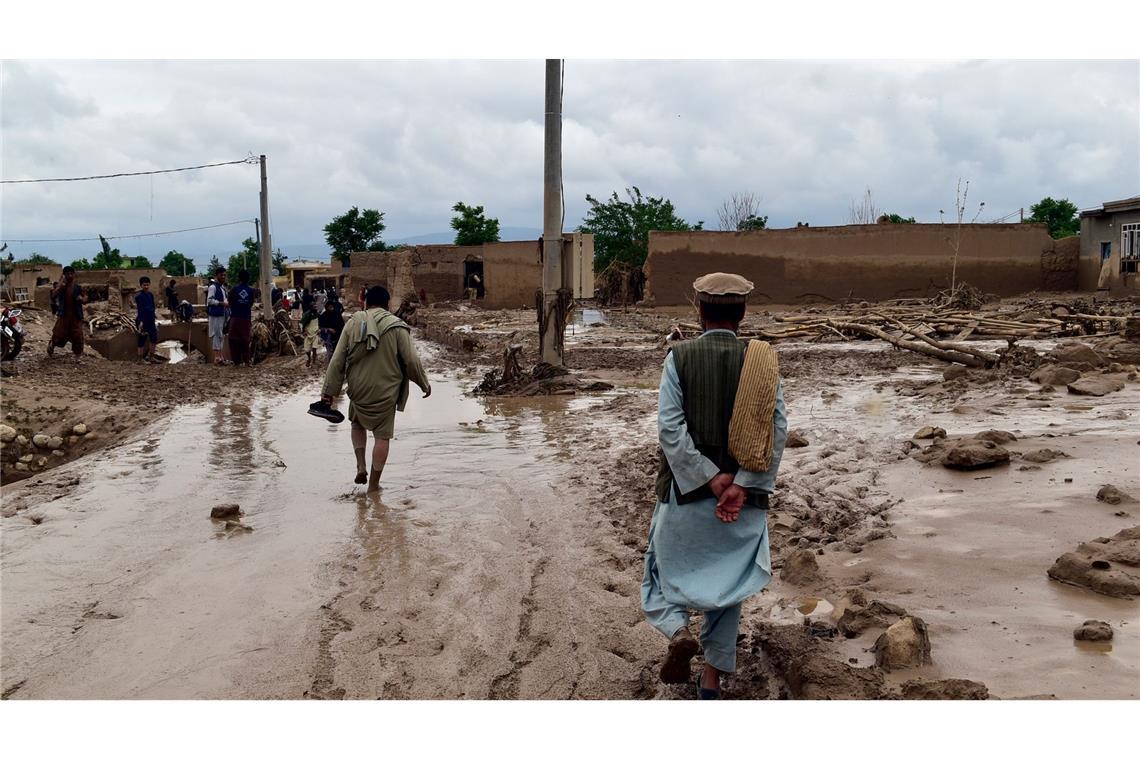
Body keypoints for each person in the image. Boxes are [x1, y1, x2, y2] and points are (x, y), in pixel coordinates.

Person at [640, 272, 788, 700]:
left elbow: (670, 429)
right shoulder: (762, 360)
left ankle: (677, 630)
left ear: (700, 311)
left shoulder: (679, 357)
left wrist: (708, 477)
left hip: (686, 494)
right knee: (728, 587)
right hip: (744, 502)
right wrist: (741, 484)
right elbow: (777, 429)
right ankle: (710, 680)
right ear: (742, 314)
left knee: (656, 572)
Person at [319, 285, 431, 492]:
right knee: (382, 437)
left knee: (357, 424)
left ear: (365, 302)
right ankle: (374, 485)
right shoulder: (397, 326)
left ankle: (360, 465)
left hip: (358, 388)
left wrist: (329, 393)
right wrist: (424, 383)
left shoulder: (352, 323)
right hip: (386, 391)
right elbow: (411, 361)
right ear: (388, 305)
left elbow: (337, 360)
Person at [48, 265, 87, 357]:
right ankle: (51, 345)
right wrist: (61, 287)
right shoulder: (62, 287)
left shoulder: (78, 288)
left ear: (74, 275)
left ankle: (78, 355)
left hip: (76, 317)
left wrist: (81, 299)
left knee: (78, 336)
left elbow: (85, 298)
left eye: (71, 274)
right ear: (64, 275)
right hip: (64, 316)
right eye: (67, 274)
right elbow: (53, 295)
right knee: (59, 334)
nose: (69, 276)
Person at [228, 269, 259, 366]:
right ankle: (247, 361)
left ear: (239, 278)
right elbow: (250, 303)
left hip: (235, 318)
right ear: (248, 279)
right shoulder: (251, 291)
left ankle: (236, 361)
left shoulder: (234, 289)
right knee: (245, 339)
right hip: (246, 318)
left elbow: (230, 302)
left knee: (233, 339)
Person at [206, 267, 229, 365]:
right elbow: (209, 301)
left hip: (222, 314)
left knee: (221, 334)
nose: (223, 277)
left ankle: (221, 356)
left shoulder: (222, 288)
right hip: (215, 314)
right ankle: (217, 357)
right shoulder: (213, 287)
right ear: (217, 276)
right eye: (221, 275)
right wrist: (221, 303)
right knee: (216, 334)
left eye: (224, 275)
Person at [134, 276, 159, 363]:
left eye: (147, 285)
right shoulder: (139, 297)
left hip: (151, 319)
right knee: (142, 339)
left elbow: (152, 306)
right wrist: (141, 321)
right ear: (141, 285)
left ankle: (151, 357)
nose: (146, 287)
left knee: (154, 338)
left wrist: (154, 315)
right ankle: (140, 359)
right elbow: (140, 309)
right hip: (142, 320)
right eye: (144, 285)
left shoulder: (150, 295)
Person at [317, 298, 344, 364]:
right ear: (327, 307)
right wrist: (329, 329)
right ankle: (331, 364)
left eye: (332, 307)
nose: (331, 308)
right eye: (329, 307)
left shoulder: (337, 314)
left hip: (338, 334)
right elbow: (321, 327)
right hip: (328, 336)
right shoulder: (323, 316)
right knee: (330, 351)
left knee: (339, 349)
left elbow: (342, 324)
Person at [300, 301, 320, 367]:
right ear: (311, 307)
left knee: (314, 348)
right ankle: (309, 358)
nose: (316, 308)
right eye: (314, 307)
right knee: (307, 350)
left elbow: (320, 323)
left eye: (316, 307)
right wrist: (303, 331)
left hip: (315, 333)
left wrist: (319, 329)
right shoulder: (306, 315)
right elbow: (301, 323)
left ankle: (314, 362)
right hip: (308, 334)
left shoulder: (317, 314)